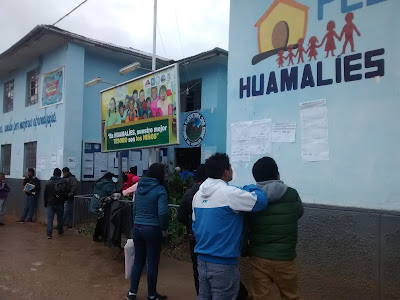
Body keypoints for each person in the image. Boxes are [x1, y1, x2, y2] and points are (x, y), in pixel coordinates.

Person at [192, 153, 268, 300]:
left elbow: (195, 226)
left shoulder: (198, 196)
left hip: (201, 261)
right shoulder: (230, 193)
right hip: (223, 264)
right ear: (226, 172)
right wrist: (250, 187)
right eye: (230, 167)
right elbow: (260, 201)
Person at [248, 157, 304, 300]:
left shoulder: (252, 197)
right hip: (285, 258)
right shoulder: (292, 194)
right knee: (291, 296)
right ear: (277, 174)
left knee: (260, 297)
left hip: (259, 257)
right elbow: (298, 213)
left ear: (256, 178)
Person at [126, 163, 168, 300]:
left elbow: (134, 209)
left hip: (138, 227)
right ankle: (151, 295)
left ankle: (132, 293)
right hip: (153, 229)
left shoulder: (139, 188)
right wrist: (164, 229)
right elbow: (162, 213)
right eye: (164, 172)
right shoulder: (160, 189)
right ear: (160, 174)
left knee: (138, 261)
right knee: (152, 262)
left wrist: (136, 223)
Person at [178, 164, 207, 295]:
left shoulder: (189, 192)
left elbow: (181, 216)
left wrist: (190, 226)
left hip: (194, 236)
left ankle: (200, 294)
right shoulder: (211, 192)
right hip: (209, 236)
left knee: (197, 268)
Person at [90, 172, 116, 242]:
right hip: (104, 204)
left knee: (100, 220)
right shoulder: (109, 185)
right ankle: (102, 236)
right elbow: (112, 193)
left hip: (96, 203)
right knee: (103, 221)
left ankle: (96, 236)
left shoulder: (98, 182)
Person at [44, 168, 68, 239]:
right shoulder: (63, 182)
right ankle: (60, 231)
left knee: (50, 219)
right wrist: (64, 199)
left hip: (50, 203)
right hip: (60, 203)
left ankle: (49, 234)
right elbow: (66, 191)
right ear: (60, 174)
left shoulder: (49, 182)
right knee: (60, 218)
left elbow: (45, 194)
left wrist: (45, 202)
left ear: (53, 173)